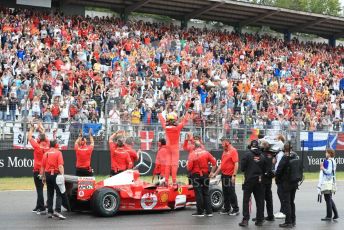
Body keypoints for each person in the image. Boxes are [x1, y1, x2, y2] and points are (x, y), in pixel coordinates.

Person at [158, 110, 191, 184]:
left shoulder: (166, 127)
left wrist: (159, 113)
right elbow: (185, 121)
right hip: (175, 148)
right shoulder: (177, 127)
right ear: (175, 119)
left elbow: (162, 120)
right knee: (174, 165)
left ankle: (166, 181)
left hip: (168, 147)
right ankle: (174, 181)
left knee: (167, 165)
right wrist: (188, 113)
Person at [239, 140, 267, 227]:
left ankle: (245, 220)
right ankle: (259, 220)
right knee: (260, 200)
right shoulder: (262, 156)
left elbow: (242, 168)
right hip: (259, 180)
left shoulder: (247, 154)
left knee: (246, 200)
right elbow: (265, 170)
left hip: (249, 180)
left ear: (250, 146)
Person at [187, 141, 217, 217]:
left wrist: (188, 165)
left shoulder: (192, 154)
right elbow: (214, 162)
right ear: (200, 146)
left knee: (198, 193)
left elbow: (189, 168)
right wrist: (212, 172)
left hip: (196, 175)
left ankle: (200, 212)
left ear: (194, 146)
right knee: (206, 193)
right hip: (205, 175)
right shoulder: (206, 152)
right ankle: (209, 212)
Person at [213, 137, 240, 216]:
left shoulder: (233, 151)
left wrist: (234, 175)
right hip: (224, 175)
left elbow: (236, 164)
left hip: (230, 176)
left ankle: (235, 209)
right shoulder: (225, 151)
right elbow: (222, 164)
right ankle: (227, 208)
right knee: (225, 193)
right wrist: (215, 173)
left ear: (227, 142)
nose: (221, 144)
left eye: (222, 142)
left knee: (231, 193)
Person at [40, 140, 66, 220]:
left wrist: (43, 177)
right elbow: (60, 166)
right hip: (56, 174)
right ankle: (57, 211)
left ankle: (50, 212)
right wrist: (62, 176)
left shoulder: (46, 153)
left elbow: (43, 167)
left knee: (50, 193)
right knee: (59, 193)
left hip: (47, 175)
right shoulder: (58, 153)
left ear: (49, 145)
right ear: (56, 145)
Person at [275, 142, 299, 228]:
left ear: (284, 149)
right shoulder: (295, 156)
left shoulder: (285, 157)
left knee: (287, 202)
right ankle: (293, 220)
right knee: (292, 202)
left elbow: (279, 170)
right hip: (294, 182)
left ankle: (288, 222)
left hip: (286, 183)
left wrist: (277, 180)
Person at [28, 122, 50, 215]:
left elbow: (29, 138)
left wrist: (32, 129)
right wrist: (42, 129)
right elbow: (45, 137)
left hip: (37, 170)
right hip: (45, 171)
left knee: (39, 190)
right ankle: (38, 206)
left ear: (38, 140)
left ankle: (42, 208)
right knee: (40, 189)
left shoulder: (37, 146)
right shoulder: (48, 145)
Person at [318, 149, 339, 221]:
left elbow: (329, 172)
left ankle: (329, 216)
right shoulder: (333, 160)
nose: (325, 154)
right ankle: (336, 214)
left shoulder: (330, 161)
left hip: (328, 182)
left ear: (329, 154)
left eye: (326, 153)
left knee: (327, 199)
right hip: (331, 181)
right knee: (329, 198)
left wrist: (322, 167)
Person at [274, 134, 286, 219]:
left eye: (277, 139)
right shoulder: (279, 152)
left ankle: (283, 211)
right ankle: (282, 210)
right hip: (278, 174)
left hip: (281, 175)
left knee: (281, 192)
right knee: (280, 192)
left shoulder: (281, 150)